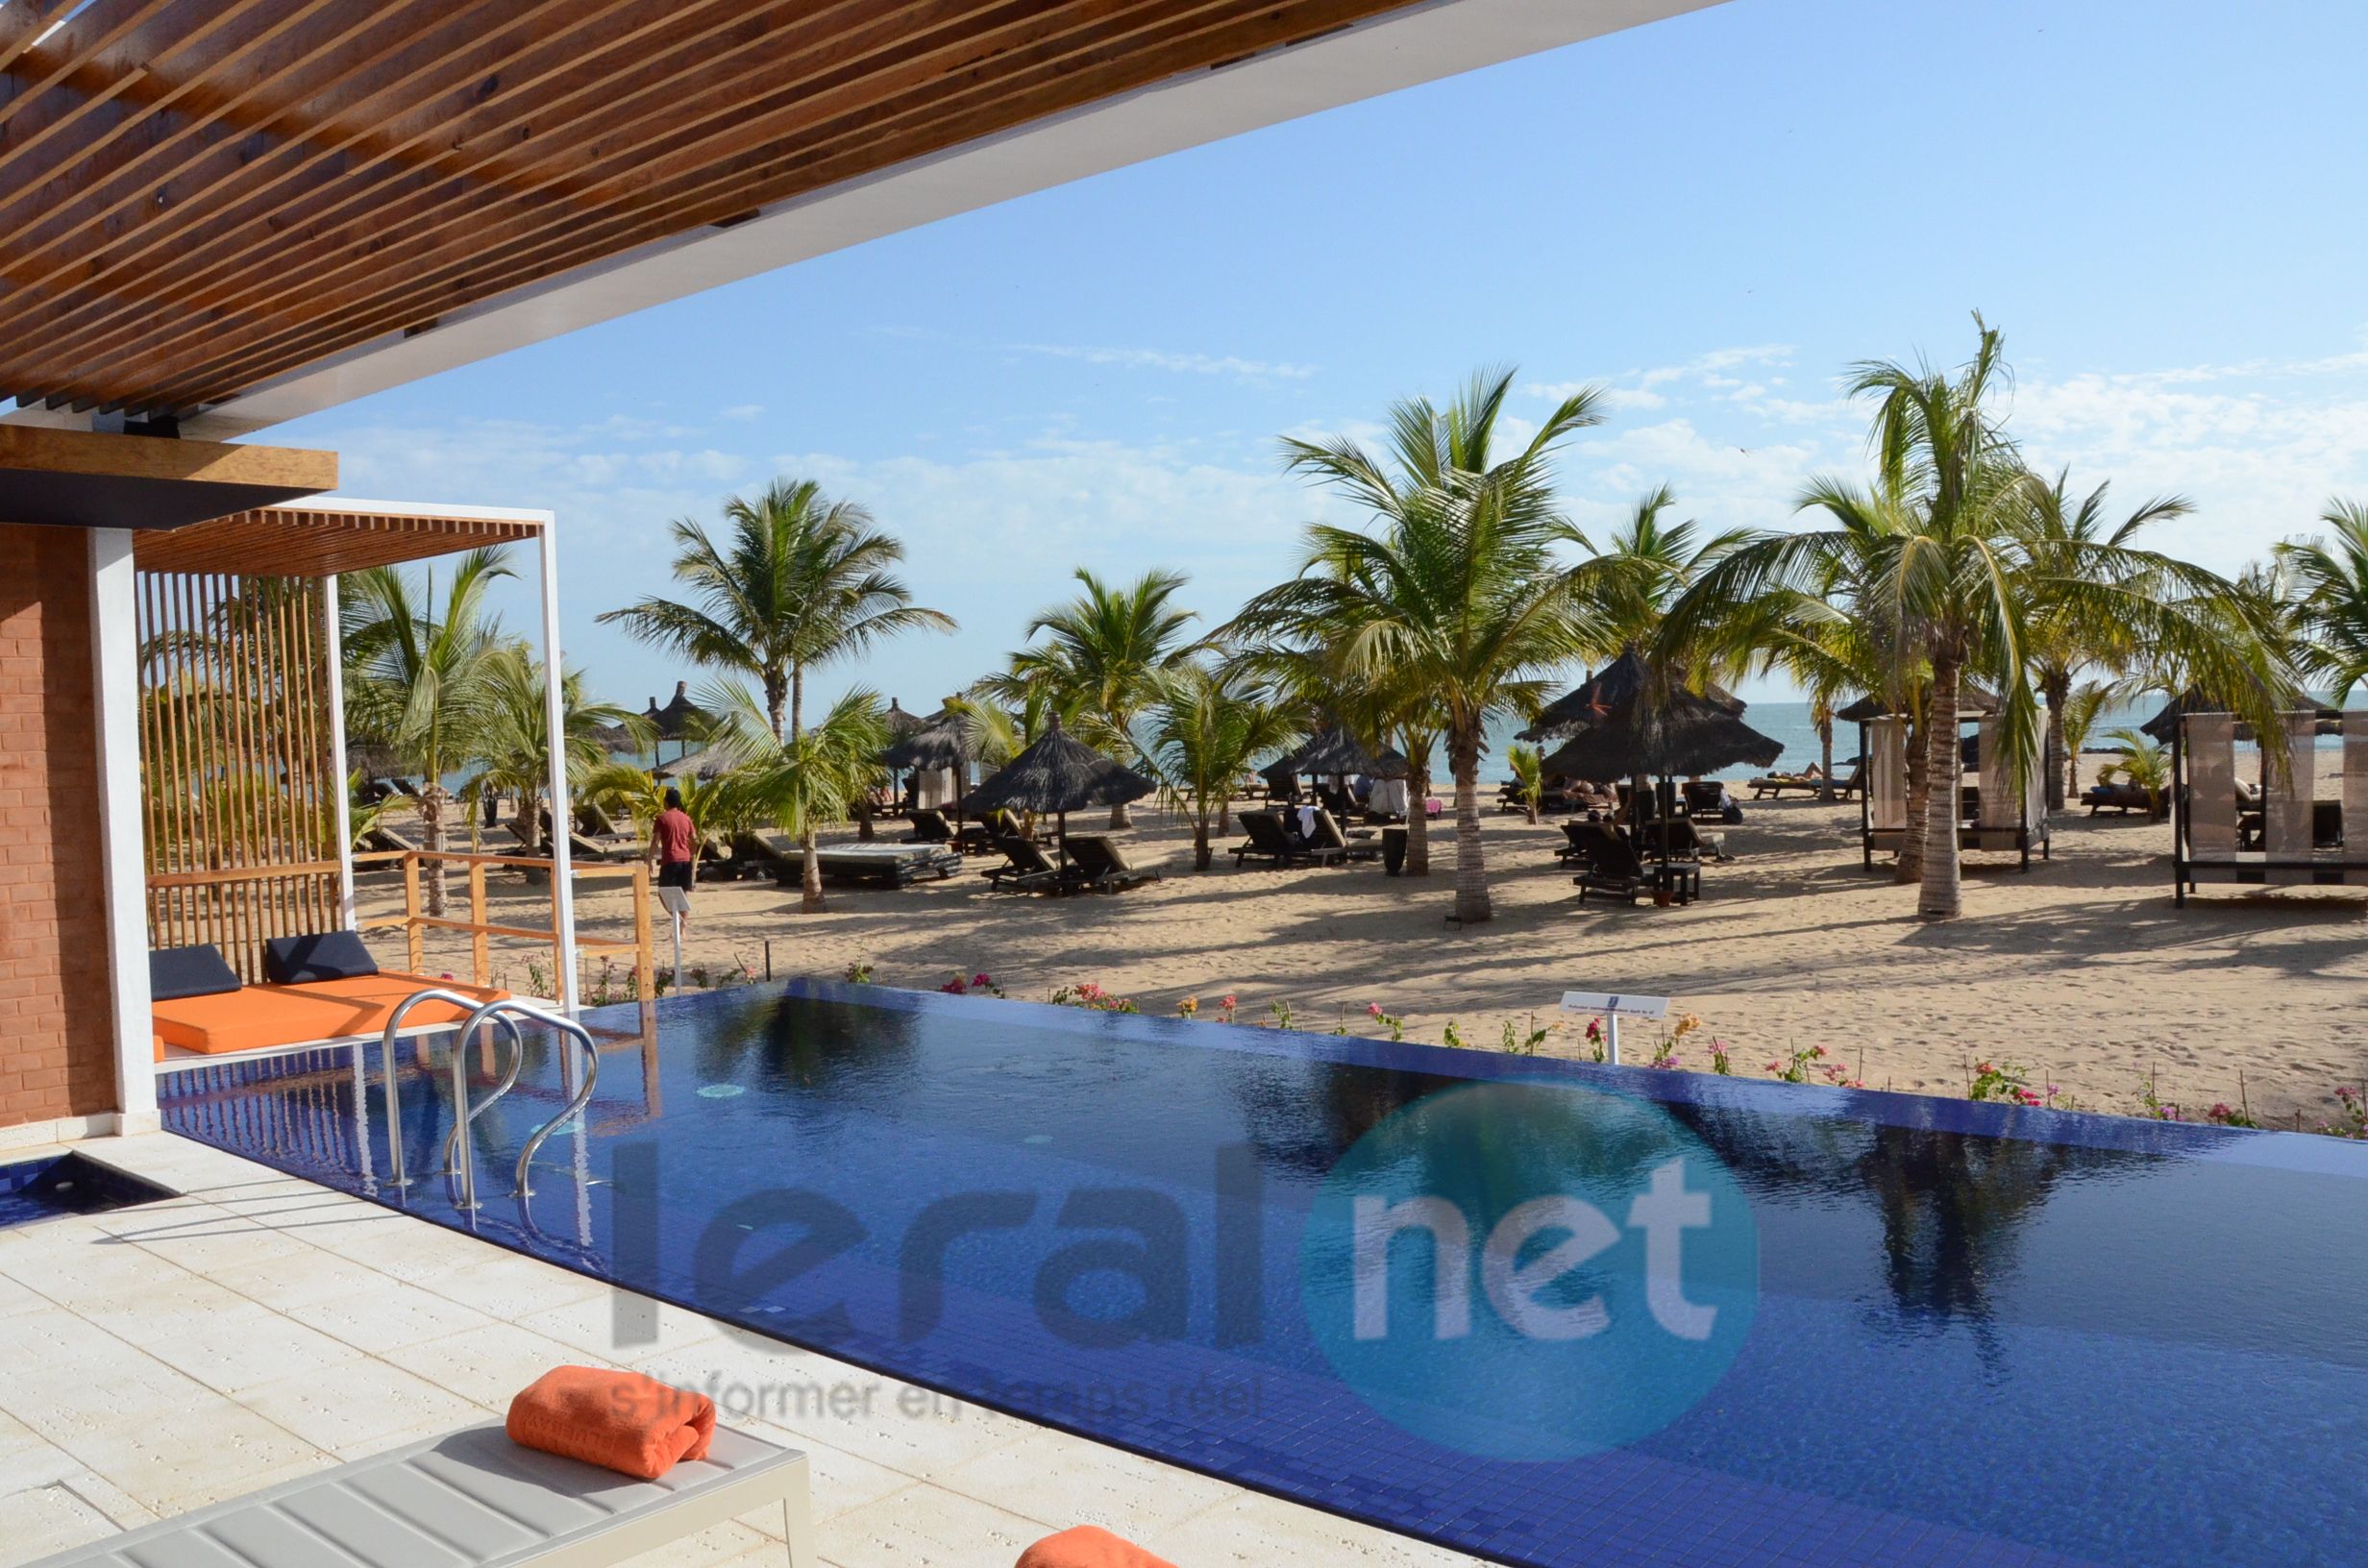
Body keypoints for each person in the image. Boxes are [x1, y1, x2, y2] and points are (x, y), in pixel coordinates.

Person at [649, 787, 698, 927]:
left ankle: (678, 920)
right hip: (685, 859)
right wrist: (692, 853)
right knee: (684, 894)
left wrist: (649, 859)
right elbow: (695, 839)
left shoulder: (662, 818)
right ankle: (682, 926)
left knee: (662, 893)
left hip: (670, 859)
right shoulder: (686, 818)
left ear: (665, 802)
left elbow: (655, 841)